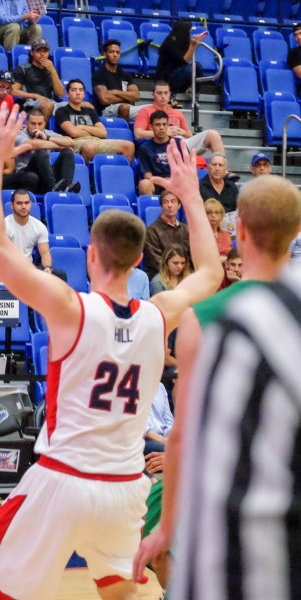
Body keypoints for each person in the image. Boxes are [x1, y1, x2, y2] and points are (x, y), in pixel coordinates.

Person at [0, 105, 221, 600]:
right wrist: (189, 193)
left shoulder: (69, 309)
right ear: (141, 259)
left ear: (91, 254)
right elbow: (209, 273)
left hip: (63, 481)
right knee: (123, 592)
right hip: (125, 487)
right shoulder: (158, 312)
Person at [132, 175, 301, 600]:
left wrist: (167, 527)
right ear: (297, 233)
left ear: (238, 230)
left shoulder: (204, 317)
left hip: (236, 516)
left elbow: (185, 433)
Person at [133, 81, 226, 158]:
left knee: (213, 134)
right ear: (153, 94)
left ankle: (223, 171)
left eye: (166, 93)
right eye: (159, 93)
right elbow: (138, 134)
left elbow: (189, 135)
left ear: (170, 94)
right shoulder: (145, 111)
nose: (163, 96)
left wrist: (183, 132)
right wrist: (165, 133)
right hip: (160, 145)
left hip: (182, 143)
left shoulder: (177, 113)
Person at [54, 79, 135, 162]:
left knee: (129, 146)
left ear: (84, 94)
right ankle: (87, 174)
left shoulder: (90, 111)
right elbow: (73, 132)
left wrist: (83, 127)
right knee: (89, 146)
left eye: (81, 90)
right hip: (76, 142)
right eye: (74, 90)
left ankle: (122, 174)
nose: (78, 93)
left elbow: (103, 133)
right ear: (67, 94)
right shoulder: (62, 111)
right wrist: (94, 131)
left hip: (97, 141)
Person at [14, 108, 79, 193]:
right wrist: (58, 145)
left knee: (67, 152)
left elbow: (71, 142)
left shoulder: (46, 133)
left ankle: (66, 187)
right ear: (26, 124)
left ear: (44, 124)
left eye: (40, 124)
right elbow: (32, 144)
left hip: (45, 175)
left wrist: (48, 138)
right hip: (27, 176)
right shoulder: (19, 134)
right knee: (41, 151)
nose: (36, 127)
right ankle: (53, 188)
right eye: (33, 124)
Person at [6, 189, 65, 280]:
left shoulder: (39, 226)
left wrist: (47, 268)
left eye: (26, 203)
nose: (23, 206)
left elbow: (45, 253)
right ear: (12, 205)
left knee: (60, 275)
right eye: (19, 203)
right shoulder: (3, 226)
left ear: (31, 204)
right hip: (8, 267)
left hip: (28, 267)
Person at [11, 38, 65, 122]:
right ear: (32, 53)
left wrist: (53, 71)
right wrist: (35, 96)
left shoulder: (51, 70)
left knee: (84, 105)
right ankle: (40, 132)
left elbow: (60, 94)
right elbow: (13, 91)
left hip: (50, 102)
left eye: (45, 51)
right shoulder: (23, 69)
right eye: (39, 51)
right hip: (30, 103)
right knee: (47, 105)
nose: (42, 54)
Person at [92, 39, 144, 120]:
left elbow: (136, 96)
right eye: (111, 52)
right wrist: (127, 97)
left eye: (117, 52)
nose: (115, 55)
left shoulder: (125, 74)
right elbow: (104, 99)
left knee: (155, 109)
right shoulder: (99, 74)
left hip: (129, 108)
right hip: (108, 110)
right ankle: (126, 132)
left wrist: (114, 92)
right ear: (105, 54)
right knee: (124, 107)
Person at [144, 190, 190, 277]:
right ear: (161, 206)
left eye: (173, 201)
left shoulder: (186, 229)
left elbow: (191, 256)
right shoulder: (151, 231)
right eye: (166, 202)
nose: (169, 205)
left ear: (179, 205)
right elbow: (155, 261)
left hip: (184, 273)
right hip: (161, 274)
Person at [156, 18, 207, 98]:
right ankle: (171, 95)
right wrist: (192, 45)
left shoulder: (182, 41)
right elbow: (184, 61)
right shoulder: (170, 43)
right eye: (189, 32)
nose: (190, 34)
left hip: (178, 76)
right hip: (166, 79)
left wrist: (192, 45)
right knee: (188, 69)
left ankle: (195, 95)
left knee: (197, 66)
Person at [137, 109, 182, 196]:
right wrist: (164, 181)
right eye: (157, 125)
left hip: (176, 182)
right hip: (157, 184)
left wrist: (173, 181)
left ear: (168, 125)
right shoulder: (145, 148)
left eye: (164, 124)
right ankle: (152, 208)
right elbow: (147, 176)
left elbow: (185, 171)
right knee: (144, 184)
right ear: (151, 127)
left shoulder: (178, 143)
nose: (161, 128)